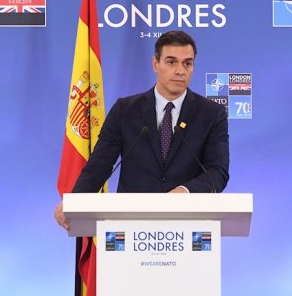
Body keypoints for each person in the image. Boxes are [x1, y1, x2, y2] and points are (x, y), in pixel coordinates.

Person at [55, 30, 229, 230]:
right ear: (155, 63)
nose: (180, 70)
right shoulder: (125, 110)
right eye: (171, 62)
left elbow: (218, 172)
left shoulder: (212, 113)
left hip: (189, 225)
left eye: (187, 63)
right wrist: (75, 202)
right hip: (130, 227)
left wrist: (184, 192)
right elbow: (100, 165)